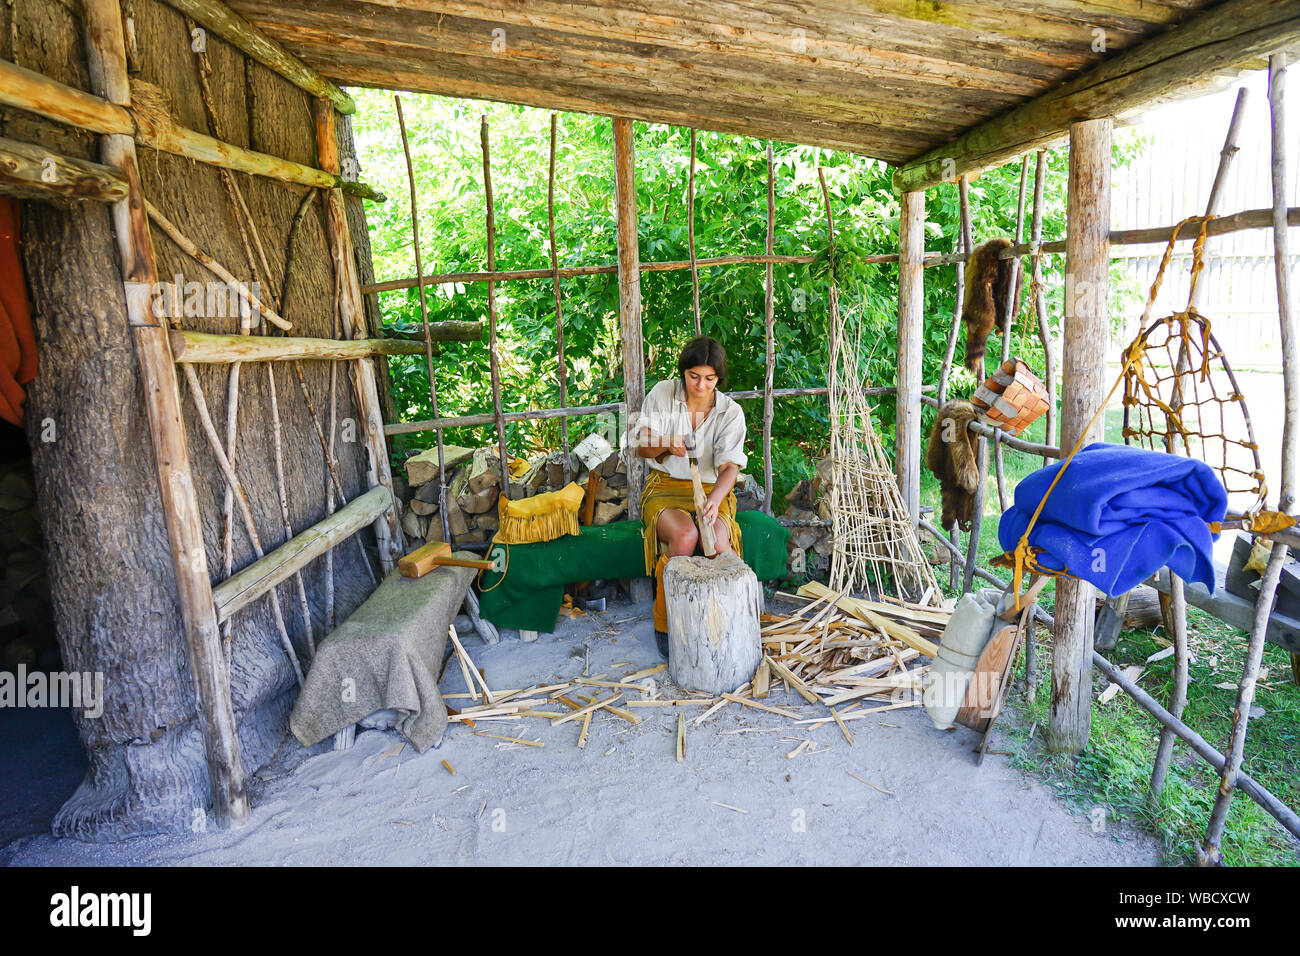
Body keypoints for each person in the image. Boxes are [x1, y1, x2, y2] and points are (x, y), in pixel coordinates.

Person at [629, 336, 747, 655]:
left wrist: (715, 499)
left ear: (718, 379)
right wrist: (667, 441)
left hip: (712, 490)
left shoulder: (730, 412)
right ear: (683, 372)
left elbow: (730, 468)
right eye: (694, 376)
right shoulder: (663, 395)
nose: (700, 385)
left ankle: (730, 619)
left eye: (709, 378)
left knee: (717, 543)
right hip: (665, 486)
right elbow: (641, 446)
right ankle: (666, 624)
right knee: (685, 535)